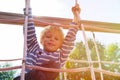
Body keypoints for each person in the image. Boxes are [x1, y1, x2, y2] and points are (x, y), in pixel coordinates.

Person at [14, 4, 80, 80]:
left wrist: (75, 17)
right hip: (27, 77)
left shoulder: (60, 56)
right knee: (34, 74)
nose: (52, 39)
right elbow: (30, 32)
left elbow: (70, 39)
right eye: (48, 37)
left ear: (61, 44)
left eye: (56, 39)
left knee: (55, 66)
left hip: (43, 77)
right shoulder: (34, 48)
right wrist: (28, 8)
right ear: (42, 40)